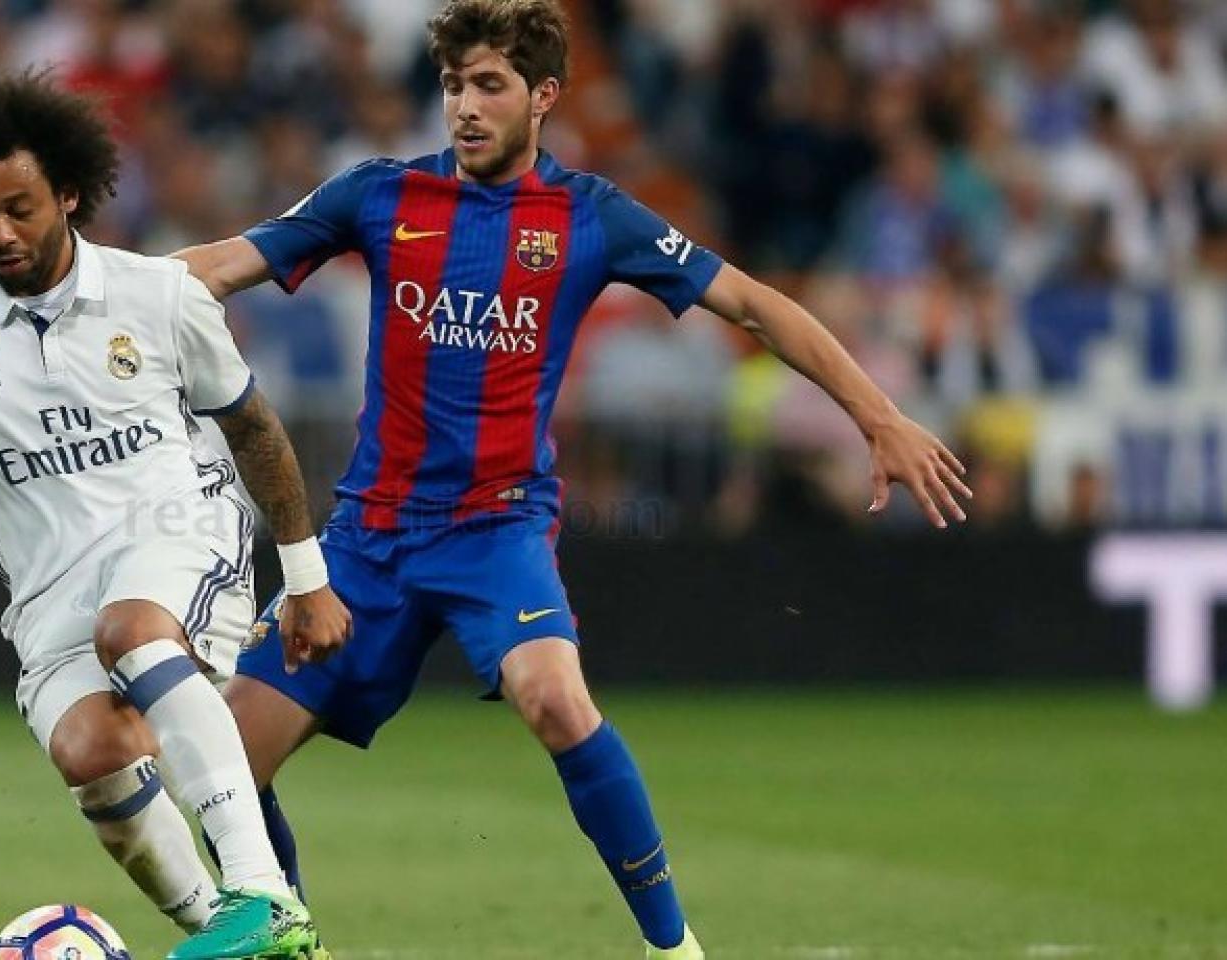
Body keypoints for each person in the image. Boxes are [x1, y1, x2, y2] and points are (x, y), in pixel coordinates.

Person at [174, 2, 973, 957]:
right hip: (368, 537)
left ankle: (674, 949)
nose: (464, 108)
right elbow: (216, 266)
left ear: (545, 95)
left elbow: (753, 306)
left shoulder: (591, 217)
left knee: (554, 698)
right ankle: (290, 933)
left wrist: (877, 417)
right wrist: (84, 292)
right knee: (224, 763)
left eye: (490, 86)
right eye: (453, 85)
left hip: (496, 529)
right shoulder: (377, 195)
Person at [0, 70, 349, 960]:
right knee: (90, 751)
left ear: (69, 192)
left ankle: (264, 896)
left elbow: (255, 429)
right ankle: (241, 940)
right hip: (50, 595)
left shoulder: (158, 295)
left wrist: (306, 577)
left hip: (183, 534)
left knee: (134, 627)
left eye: (20, 207)